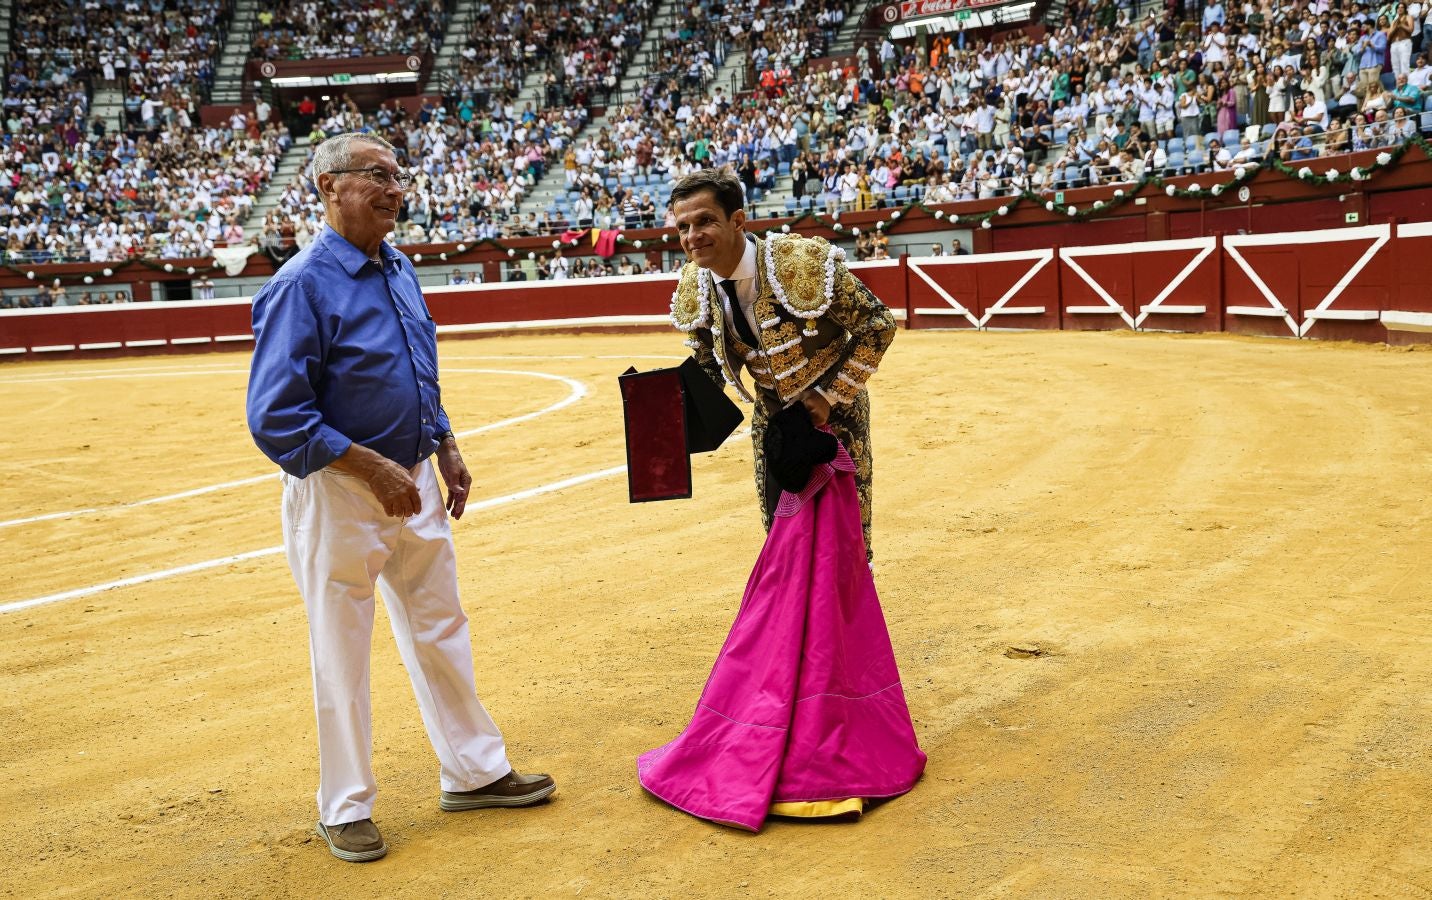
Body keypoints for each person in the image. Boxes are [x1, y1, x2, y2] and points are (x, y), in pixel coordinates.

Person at [245, 132, 554, 865]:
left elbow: (420, 370)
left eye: (397, 176)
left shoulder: (398, 268)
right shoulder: (300, 283)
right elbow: (275, 415)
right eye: (376, 176)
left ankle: (474, 771)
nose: (394, 188)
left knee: (441, 623)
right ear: (328, 187)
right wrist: (369, 467)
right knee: (341, 647)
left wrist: (444, 445)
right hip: (341, 488)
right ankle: (344, 805)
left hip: (411, 474)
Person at [666, 166, 896, 559]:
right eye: (683, 227)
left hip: (836, 417)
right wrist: (666, 417)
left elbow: (878, 326)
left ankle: (845, 618)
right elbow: (708, 362)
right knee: (782, 536)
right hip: (772, 419)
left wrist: (830, 395)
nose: (692, 237)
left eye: (705, 221)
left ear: (738, 220)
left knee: (848, 537)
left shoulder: (803, 261)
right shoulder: (696, 283)